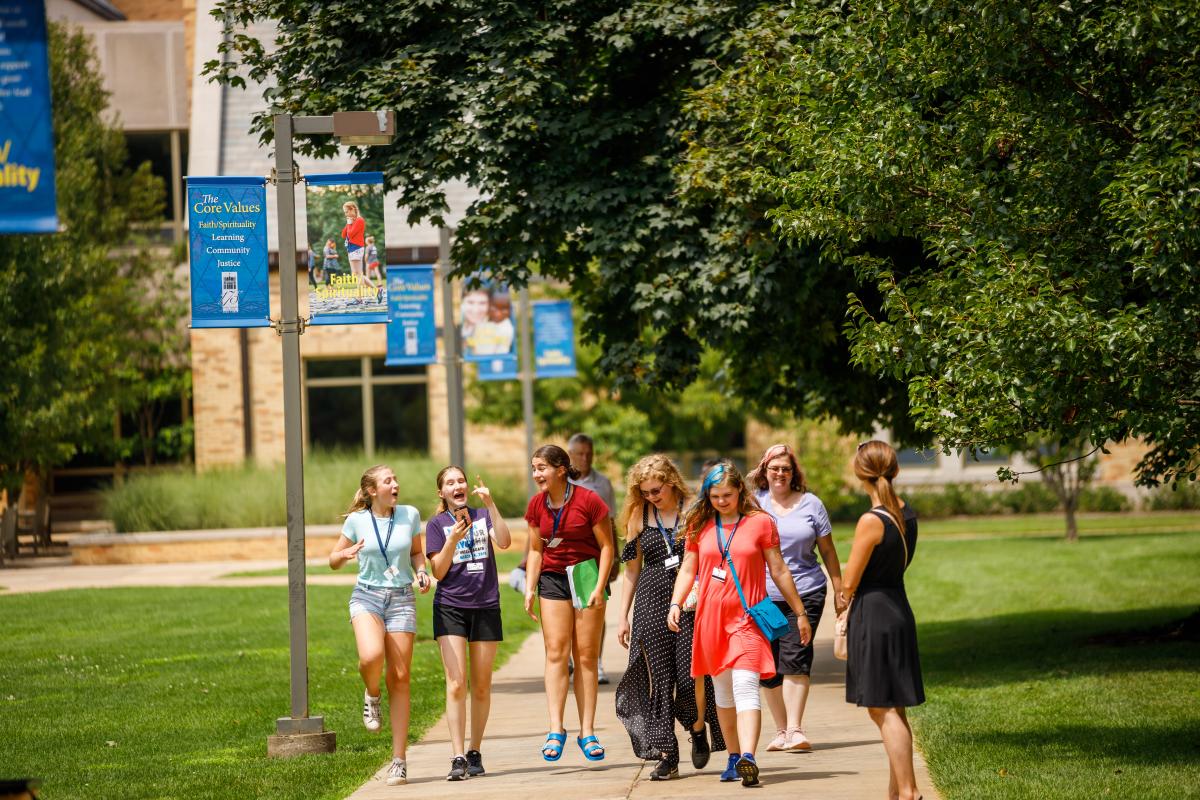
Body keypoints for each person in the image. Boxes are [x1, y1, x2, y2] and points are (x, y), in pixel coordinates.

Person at [667, 461, 813, 788]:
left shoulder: (760, 523)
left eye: (728, 495)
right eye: (715, 496)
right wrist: (676, 603)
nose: (722, 501)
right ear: (708, 496)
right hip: (710, 621)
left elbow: (778, 570)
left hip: (747, 619)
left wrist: (800, 611)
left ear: (740, 492)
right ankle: (733, 756)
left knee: (746, 685)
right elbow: (689, 570)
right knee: (722, 691)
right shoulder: (699, 525)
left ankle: (748, 756)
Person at [615, 454, 725, 780]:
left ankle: (696, 727)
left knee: (691, 677)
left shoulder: (695, 508)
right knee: (659, 680)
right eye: (645, 492)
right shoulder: (639, 514)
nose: (652, 496)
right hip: (651, 599)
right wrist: (622, 617)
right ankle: (667, 754)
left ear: (672, 482)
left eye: (656, 490)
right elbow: (631, 571)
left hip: (690, 600)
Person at [328, 464, 431, 787]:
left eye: (396, 478)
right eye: (389, 480)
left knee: (400, 677)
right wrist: (345, 553)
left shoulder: (410, 514)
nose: (396, 483)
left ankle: (399, 761)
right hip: (367, 597)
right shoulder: (357, 521)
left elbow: (416, 553)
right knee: (371, 657)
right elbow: (332, 560)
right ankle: (372, 695)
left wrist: (421, 572)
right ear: (373, 490)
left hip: (401, 598)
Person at [746, 443, 845, 752]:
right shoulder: (753, 504)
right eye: (774, 468)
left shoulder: (811, 504)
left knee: (796, 658)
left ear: (794, 473)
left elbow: (827, 550)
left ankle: (795, 730)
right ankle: (780, 731)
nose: (780, 474)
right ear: (764, 472)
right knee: (771, 666)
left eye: (786, 469)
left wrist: (839, 588)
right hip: (763, 597)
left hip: (806, 592)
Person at [840, 441, 925, 800]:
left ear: (860, 474)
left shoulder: (871, 521)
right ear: (896, 470)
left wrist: (842, 603)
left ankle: (909, 792)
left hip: (873, 615)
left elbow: (850, 581)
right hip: (898, 607)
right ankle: (897, 791)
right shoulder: (907, 514)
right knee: (895, 706)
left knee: (881, 707)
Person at [523, 444, 615, 763]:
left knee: (586, 656)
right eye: (534, 468)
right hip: (552, 578)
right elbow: (535, 550)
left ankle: (587, 731)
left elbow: (607, 547)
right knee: (556, 652)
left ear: (561, 469)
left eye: (541, 468)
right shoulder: (537, 505)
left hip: (587, 575)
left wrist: (600, 585)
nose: (536, 474)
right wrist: (529, 588)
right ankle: (555, 729)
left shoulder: (589, 500)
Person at [425, 466, 512, 781]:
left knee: (482, 684)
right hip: (451, 607)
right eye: (450, 483)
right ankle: (458, 755)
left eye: (460, 481)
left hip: (486, 605)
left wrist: (490, 505)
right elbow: (438, 572)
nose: (457, 486)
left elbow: (504, 542)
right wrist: (452, 541)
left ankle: (475, 751)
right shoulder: (436, 524)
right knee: (457, 683)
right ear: (442, 493)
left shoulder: (482, 515)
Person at [567, 433, 618, 684]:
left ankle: (595, 661)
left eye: (589, 453)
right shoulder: (559, 481)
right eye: (579, 453)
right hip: (566, 557)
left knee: (596, 608)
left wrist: (615, 558)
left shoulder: (603, 484)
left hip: (595, 558)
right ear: (570, 455)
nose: (585, 458)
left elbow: (611, 524)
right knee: (567, 611)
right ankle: (569, 659)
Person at [341, 201, 378, 301]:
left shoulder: (360, 220)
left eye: (346, 211)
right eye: (345, 212)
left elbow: (351, 234)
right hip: (352, 248)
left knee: (358, 274)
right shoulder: (352, 221)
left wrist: (349, 224)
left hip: (356, 248)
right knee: (357, 273)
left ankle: (359, 297)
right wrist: (348, 223)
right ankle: (376, 291)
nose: (346, 214)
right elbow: (344, 235)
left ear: (353, 209)